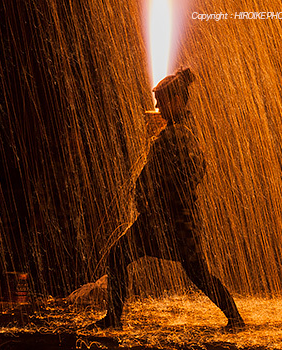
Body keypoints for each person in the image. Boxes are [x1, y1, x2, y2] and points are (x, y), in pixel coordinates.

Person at [95, 67, 245, 331]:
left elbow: (180, 174)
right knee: (125, 256)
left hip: (171, 220)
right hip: (168, 219)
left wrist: (154, 196)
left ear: (175, 101)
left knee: (194, 271)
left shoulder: (177, 134)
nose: (157, 107)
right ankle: (234, 318)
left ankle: (235, 318)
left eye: (161, 102)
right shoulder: (184, 130)